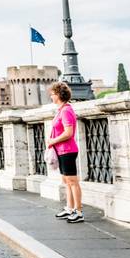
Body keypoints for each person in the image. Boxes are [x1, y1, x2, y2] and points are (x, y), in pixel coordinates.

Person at [47, 82, 83, 223]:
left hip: (68, 150)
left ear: (58, 95)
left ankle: (79, 211)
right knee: (66, 181)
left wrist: (53, 141)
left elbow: (69, 133)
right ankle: (69, 207)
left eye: (52, 93)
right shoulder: (61, 110)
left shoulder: (66, 110)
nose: (51, 96)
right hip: (61, 150)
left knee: (73, 181)